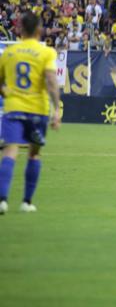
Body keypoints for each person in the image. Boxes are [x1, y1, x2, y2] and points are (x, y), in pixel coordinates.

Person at [0, 12, 61, 215]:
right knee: (34, 154)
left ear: (20, 29)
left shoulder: (9, 52)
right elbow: (51, 81)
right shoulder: (46, 52)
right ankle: (26, 202)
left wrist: (6, 92)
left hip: (13, 107)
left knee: (10, 151)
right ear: (38, 30)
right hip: (38, 110)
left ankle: (2, 200)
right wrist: (57, 109)